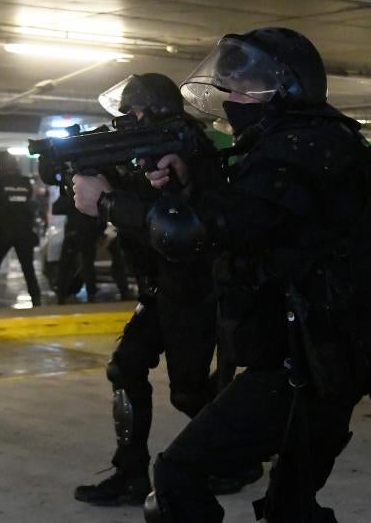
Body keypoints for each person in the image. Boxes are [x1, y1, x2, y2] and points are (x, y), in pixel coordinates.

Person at [139, 28, 371, 522]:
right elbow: (259, 220)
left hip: (306, 367)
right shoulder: (308, 142)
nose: (230, 100)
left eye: (240, 89)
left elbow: (217, 230)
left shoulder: (303, 148)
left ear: (282, 90)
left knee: (177, 477)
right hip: (313, 360)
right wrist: (192, 183)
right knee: (289, 510)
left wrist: (110, 203)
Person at [71, 73, 259, 507]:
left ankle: (239, 455)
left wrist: (113, 198)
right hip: (160, 289)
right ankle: (130, 471)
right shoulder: (147, 152)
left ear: (154, 112)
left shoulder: (191, 151)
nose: (128, 122)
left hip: (195, 292)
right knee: (125, 367)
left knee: (189, 392)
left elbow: (186, 228)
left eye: (135, 113)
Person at [0, 151, 42, 309]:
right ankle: (36, 300)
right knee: (28, 267)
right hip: (24, 232)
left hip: (5, 232)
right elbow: (33, 206)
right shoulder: (26, 182)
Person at [51, 192, 102, 303]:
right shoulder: (93, 190)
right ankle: (91, 294)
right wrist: (99, 232)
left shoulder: (71, 191)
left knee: (66, 265)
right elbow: (101, 212)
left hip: (73, 233)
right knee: (88, 264)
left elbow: (56, 208)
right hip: (89, 233)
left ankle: (62, 294)